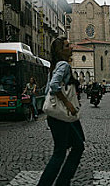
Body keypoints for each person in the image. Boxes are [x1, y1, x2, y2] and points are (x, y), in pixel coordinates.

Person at [38, 36, 84, 186]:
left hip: (60, 117)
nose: (71, 48)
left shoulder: (56, 65)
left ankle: (62, 182)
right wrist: (67, 102)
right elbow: (53, 86)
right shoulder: (63, 65)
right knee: (62, 152)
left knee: (75, 146)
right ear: (61, 51)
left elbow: (47, 89)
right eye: (67, 46)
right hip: (62, 116)